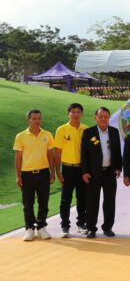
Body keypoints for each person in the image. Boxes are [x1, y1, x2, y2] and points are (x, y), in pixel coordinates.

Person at [81, 107, 122, 238]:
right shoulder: (88, 133)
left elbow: (117, 152)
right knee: (92, 202)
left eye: (106, 117)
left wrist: (118, 168)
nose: (103, 119)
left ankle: (107, 227)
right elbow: (84, 154)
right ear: (96, 118)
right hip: (93, 174)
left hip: (110, 173)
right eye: (100, 117)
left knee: (109, 202)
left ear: (109, 118)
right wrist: (84, 172)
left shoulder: (114, 132)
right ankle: (91, 228)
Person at [14, 109, 55, 241]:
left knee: (44, 202)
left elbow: (50, 155)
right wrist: (18, 176)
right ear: (28, 120)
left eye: (39, 118)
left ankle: (41, 228)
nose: (37, 121)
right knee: (28, 203)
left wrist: (52, 172)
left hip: (44, 173)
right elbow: (18, 157)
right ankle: (29, 228)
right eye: (34, 119)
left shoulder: (47, 135)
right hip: (27, 175)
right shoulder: (21, 136)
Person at [54, 103, 88, 237]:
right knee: (65, 199)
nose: (75, 114)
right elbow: (57, 153)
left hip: (82, 169)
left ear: (81, 114)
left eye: (78, 112)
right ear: (68, 113)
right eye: (73, 111)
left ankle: (81, 223)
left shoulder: (86, 130)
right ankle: (65, 226)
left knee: (82, 199)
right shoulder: (61, 130)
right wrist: (58, 171)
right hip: (67, 169)